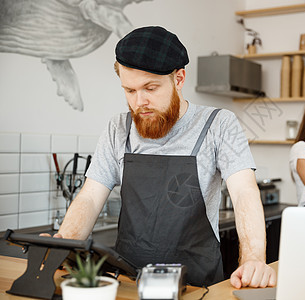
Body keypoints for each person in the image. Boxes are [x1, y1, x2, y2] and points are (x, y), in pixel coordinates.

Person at [45, 26, 276, 288]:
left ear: (179, 79)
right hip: (129, 284)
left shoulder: (218, 124)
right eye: (129, 91)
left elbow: (244, 192)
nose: (139, 101)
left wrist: (254, 258)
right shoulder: (118, 128)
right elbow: (90, 196)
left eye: (150, 88)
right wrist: (62, 241)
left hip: (195, 286)